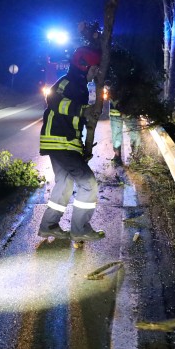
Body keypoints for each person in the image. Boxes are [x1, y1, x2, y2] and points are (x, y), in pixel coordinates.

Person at [37, 46, 105, 241]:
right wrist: (84, 110)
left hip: (62, 142)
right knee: (88, 184)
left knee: (65, 183)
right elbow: (53, 99)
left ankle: (48, 226)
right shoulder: (70, 82)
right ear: (83, 66)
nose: (96, 72)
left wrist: (82, 147)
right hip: (61, 142)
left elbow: (74, 120)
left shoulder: (78, 84)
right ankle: (80, 229)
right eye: (94, 68)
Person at [108, 99, 142, 165]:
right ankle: (117, 157)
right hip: (116, 112)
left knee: (135, 135)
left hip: (130, 111)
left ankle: (135, 155)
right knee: (116, 136)